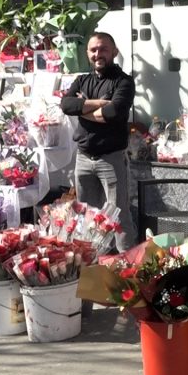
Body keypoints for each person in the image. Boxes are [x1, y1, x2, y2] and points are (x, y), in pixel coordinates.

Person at [60, 32, 137, 252]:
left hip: (111, 159)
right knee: (87, 215)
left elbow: (112, 113)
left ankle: (127, 263)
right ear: (87, 53)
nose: (98, 54)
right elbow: (66, 105)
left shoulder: (124, 82)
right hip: (83, 158)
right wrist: (99, 104)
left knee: (118, 215)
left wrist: (83, 108)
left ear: (114, 51)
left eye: (103, 49)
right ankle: (93, 259)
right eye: (93, 50)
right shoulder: (82, 80)